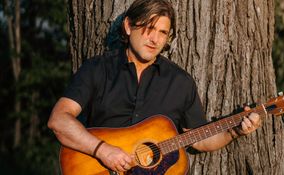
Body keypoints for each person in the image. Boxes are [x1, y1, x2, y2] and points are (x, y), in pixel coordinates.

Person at [48, 0, 261, 173]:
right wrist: (103, 151)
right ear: (128, 26)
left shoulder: (180, 82)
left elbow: (198, 139)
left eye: (162, 32)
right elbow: (58, 120)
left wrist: (234, 132)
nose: (155, 39)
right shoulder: (98, 69)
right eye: (149, 28)